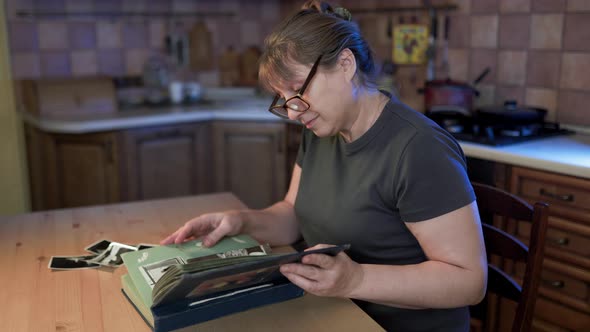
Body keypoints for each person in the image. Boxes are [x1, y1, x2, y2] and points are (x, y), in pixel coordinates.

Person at [162, 1, 487, 331]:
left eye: (297, 90)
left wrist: (355, 279)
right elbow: (293, 215)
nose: (291, 112)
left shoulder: (419, 149)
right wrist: (240, 222)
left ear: (345, 64)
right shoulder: (320, 129)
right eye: (282, 98)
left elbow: (469, 282)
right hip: (331, 312)